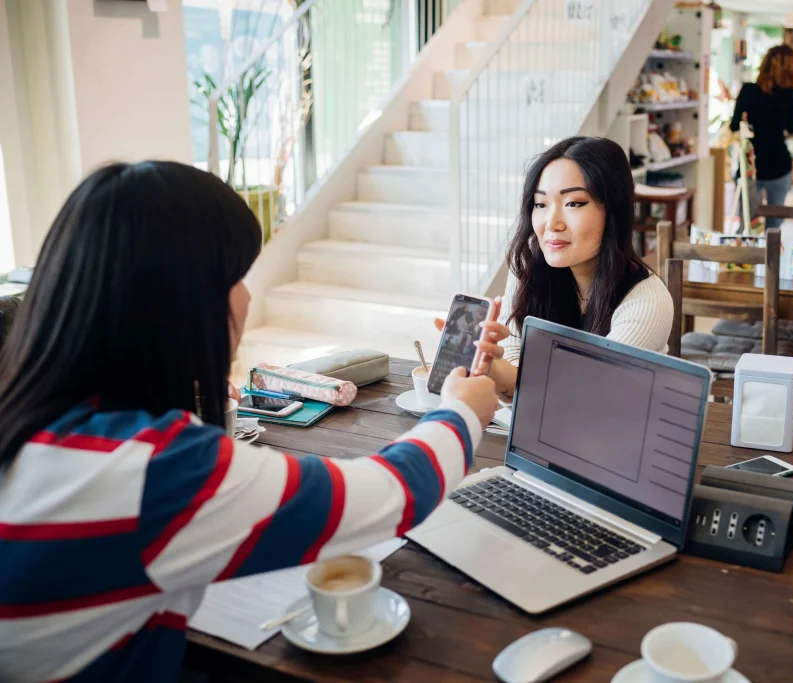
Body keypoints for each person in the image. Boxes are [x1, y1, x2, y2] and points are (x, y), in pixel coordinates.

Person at [0, 161, 499, 682]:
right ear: (180, 306)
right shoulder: (159, 471)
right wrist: (461, 410)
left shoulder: (34, 422)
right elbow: (395, 491)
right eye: (235, 277)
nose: (245, 296)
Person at [445, 136, 673, 403]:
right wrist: (490, 365)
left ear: (614, 209)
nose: (551, 223)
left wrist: (514, 379)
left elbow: (586, 397)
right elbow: (517, 377)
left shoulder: (647, 301)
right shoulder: (528, 270)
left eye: (574, 203)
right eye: (541, 204)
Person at [730, 44, 793, 228]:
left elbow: (734, 125)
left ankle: (747, 257)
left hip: (751, 166)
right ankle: (770, 257)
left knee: (748, 225)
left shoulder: (748, 90)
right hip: (779, 165)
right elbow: (791, 127)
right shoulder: (790, 94)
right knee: (774, 227)